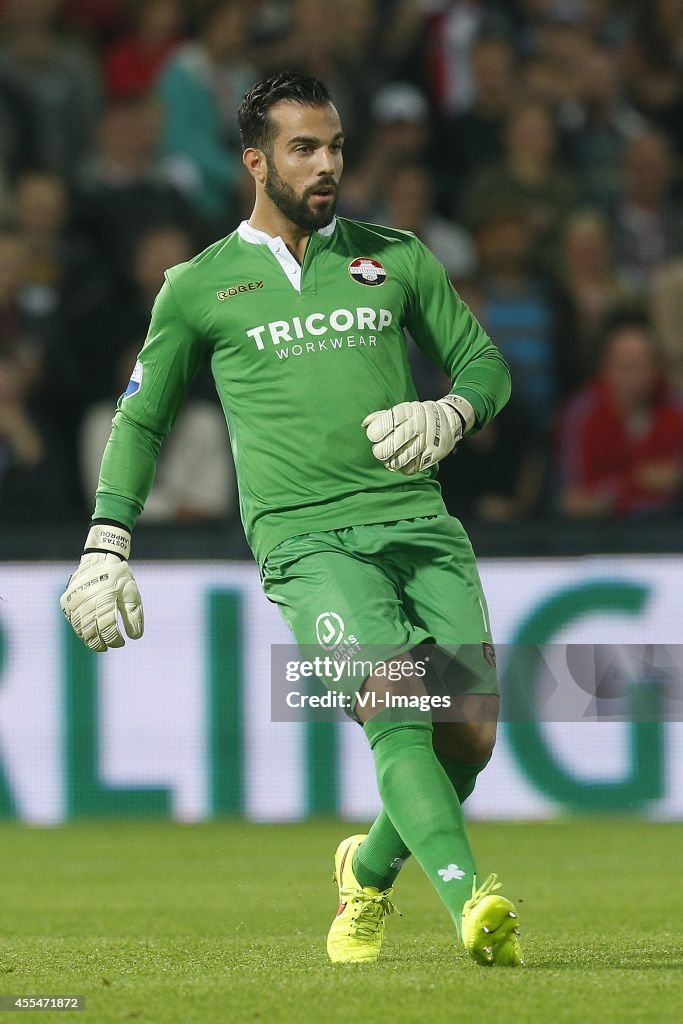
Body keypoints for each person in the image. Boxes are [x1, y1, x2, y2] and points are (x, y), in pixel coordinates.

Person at [59, 71, 522, 969]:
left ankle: (367, 869)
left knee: (467, 735)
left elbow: (484, 365)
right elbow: (142, 417)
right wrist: (107, 540)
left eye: (336, 146)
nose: (326, 166)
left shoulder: (396, 256)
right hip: (305, 539)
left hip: (417, 523)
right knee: (395, 705)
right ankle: (475, 901)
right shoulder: (199, 286)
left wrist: (451, 414)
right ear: (255, 162)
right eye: (304, 148)